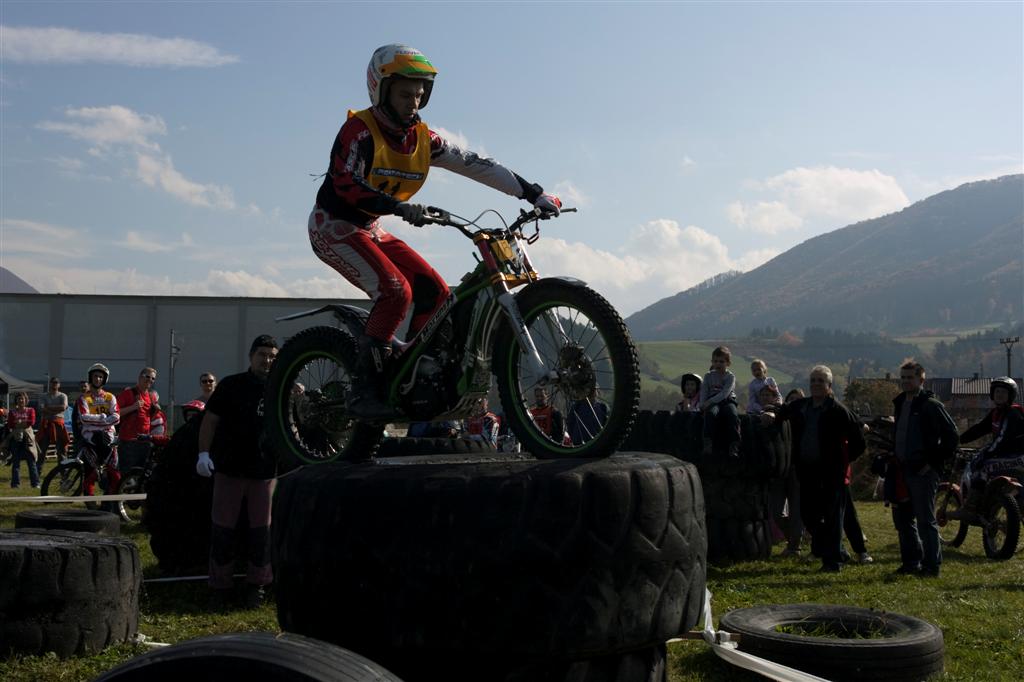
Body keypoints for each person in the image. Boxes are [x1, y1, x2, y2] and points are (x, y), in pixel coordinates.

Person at [308, 44, 562, 419]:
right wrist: (397, 206)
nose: (414, 102)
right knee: (395, 292)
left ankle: (413, 374)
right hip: (333, 227)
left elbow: (476, 164)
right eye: (405, 94)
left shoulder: (423, 139)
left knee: (437, 292)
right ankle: (364, 390)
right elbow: (346, 182)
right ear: (381, 90)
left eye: (419, 94)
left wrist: (533, 193)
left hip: (371, 227)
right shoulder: (358, 131)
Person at [195, 335, 279, 609]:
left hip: (264, 471)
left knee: (261, 532)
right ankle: (220, 586)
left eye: (272, 356)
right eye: (262, 355)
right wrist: (203, 454)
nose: (267, 360)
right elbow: (210, 420)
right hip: (229, 469)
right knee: (223, 529)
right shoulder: (231, 385)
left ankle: (258, 585)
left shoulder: (280, 386)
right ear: (251, 356)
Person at [761, 365, 865, 572]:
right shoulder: (801, 406)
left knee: (833, 518)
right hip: (807, 471)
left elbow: (859, 441)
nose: (816, 384)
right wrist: (771, 414)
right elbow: (783, 411)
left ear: (829, 385)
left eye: (820, 381)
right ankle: (835, 550)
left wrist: (843, 461)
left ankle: (832, 562)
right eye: (813, 381)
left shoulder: (838, 411)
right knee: (808, 515)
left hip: (832, 473)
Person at [889, 360, 958, 577]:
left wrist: (931, 463)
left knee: (925, 520)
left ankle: (931, 565)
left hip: (923, 472)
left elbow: (952, 437)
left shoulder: (931, 405)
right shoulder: (900, 402)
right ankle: (911, 562)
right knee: (903, 519)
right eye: (903, 377)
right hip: (902, 469)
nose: (905, 381)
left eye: (910, 377)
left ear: (921, 379)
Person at [950, 377, 1024, 521]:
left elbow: (1002, 440)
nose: (999, 395)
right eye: (997, 391)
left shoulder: (1013, 414)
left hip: (1017, 457)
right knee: (983, 463)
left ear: (1011, 395)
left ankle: (970, 508)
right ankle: (990, 504)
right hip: (1008, 457)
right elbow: (979, 429)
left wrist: (986, 454)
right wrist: (957, 440)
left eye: (1003, 392)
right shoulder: (996, 413)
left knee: (980, 467)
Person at [76, 363, 121, 499]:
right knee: (90, 471)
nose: (98, 379)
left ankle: (110, 502)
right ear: (91, 377)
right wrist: (103, 418)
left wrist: (96, 422)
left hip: (108, 436)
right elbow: (84, 418)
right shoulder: (83, 398)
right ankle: (90, 500)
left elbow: (117, 417)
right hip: (90, 437)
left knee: (114, 472)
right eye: (95, 376)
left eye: (101, 377)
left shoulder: (110, 397)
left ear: (104, 379)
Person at [777, 388, 805, 556]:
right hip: (780, 469)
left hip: (797, 468)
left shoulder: (805, 421)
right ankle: (794, 538)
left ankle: (794, 546)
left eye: (798, 399)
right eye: (791, 399)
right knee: (776, 511)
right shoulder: (780, 417)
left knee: (796, 510)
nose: (794, 402)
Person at [700, 346, 740, 457]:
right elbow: (704, 391)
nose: (718, 364)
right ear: (712, 362)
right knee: (710, 414)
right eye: (715, 361)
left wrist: (709, 402)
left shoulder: (730, 377)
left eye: (721, 361)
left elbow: (724, 393)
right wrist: (702, 404)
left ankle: (734, 445)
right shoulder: (708, 376)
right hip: (712, 401)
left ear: (728, 363)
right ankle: (708, 443)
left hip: (727, 400)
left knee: (732, 415)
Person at [5, 392, 40, 488]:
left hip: (28, 438)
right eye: (19, 399)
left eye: (22, 398)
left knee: (31, 461)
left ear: (26, 400)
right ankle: (15, 484)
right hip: (16, 438)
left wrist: (19, 422)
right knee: (15, 462)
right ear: (16, 400)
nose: (21, 400)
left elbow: (32, 421)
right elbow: (10, 424)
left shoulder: (31, 410)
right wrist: (23, 423)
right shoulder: (12, 412)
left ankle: (35, 483)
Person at [36, 377, 70, 469]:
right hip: (46, 424)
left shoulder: (63, 396)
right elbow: (41, 408)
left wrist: (48, 408)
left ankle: (64, 473)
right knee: (41, 450)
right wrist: (56, 409)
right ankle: (37, 473)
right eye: (53, 382)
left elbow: (63, 407)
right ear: (50, 384)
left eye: (56, 382)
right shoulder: (43, 396)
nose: (54, 384)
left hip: (59, 424)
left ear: (59, 385)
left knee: (62, 451)